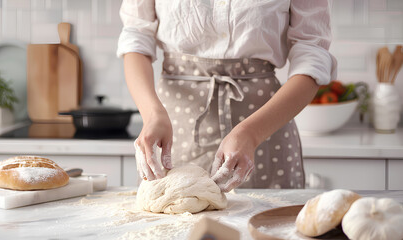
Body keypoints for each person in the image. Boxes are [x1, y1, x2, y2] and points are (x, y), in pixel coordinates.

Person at [117, 0, 337, 192]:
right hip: (173, 126)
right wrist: (152, 114)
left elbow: (312, 52)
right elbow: (136, 35)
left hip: (264, 126)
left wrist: (251, 134)